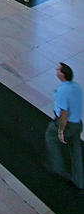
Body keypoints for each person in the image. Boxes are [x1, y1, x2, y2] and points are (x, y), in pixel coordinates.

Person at [45, 62, 84, 190]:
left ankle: (58, 169)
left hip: (66, 125)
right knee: (75, 150)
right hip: (77, 124)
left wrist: (61, 131)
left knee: (50, 138)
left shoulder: (63, 91)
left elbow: (63, 114)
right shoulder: (76, 87)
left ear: (63, 74)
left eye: (58, 69)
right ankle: (79, 181)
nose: (56, 70)